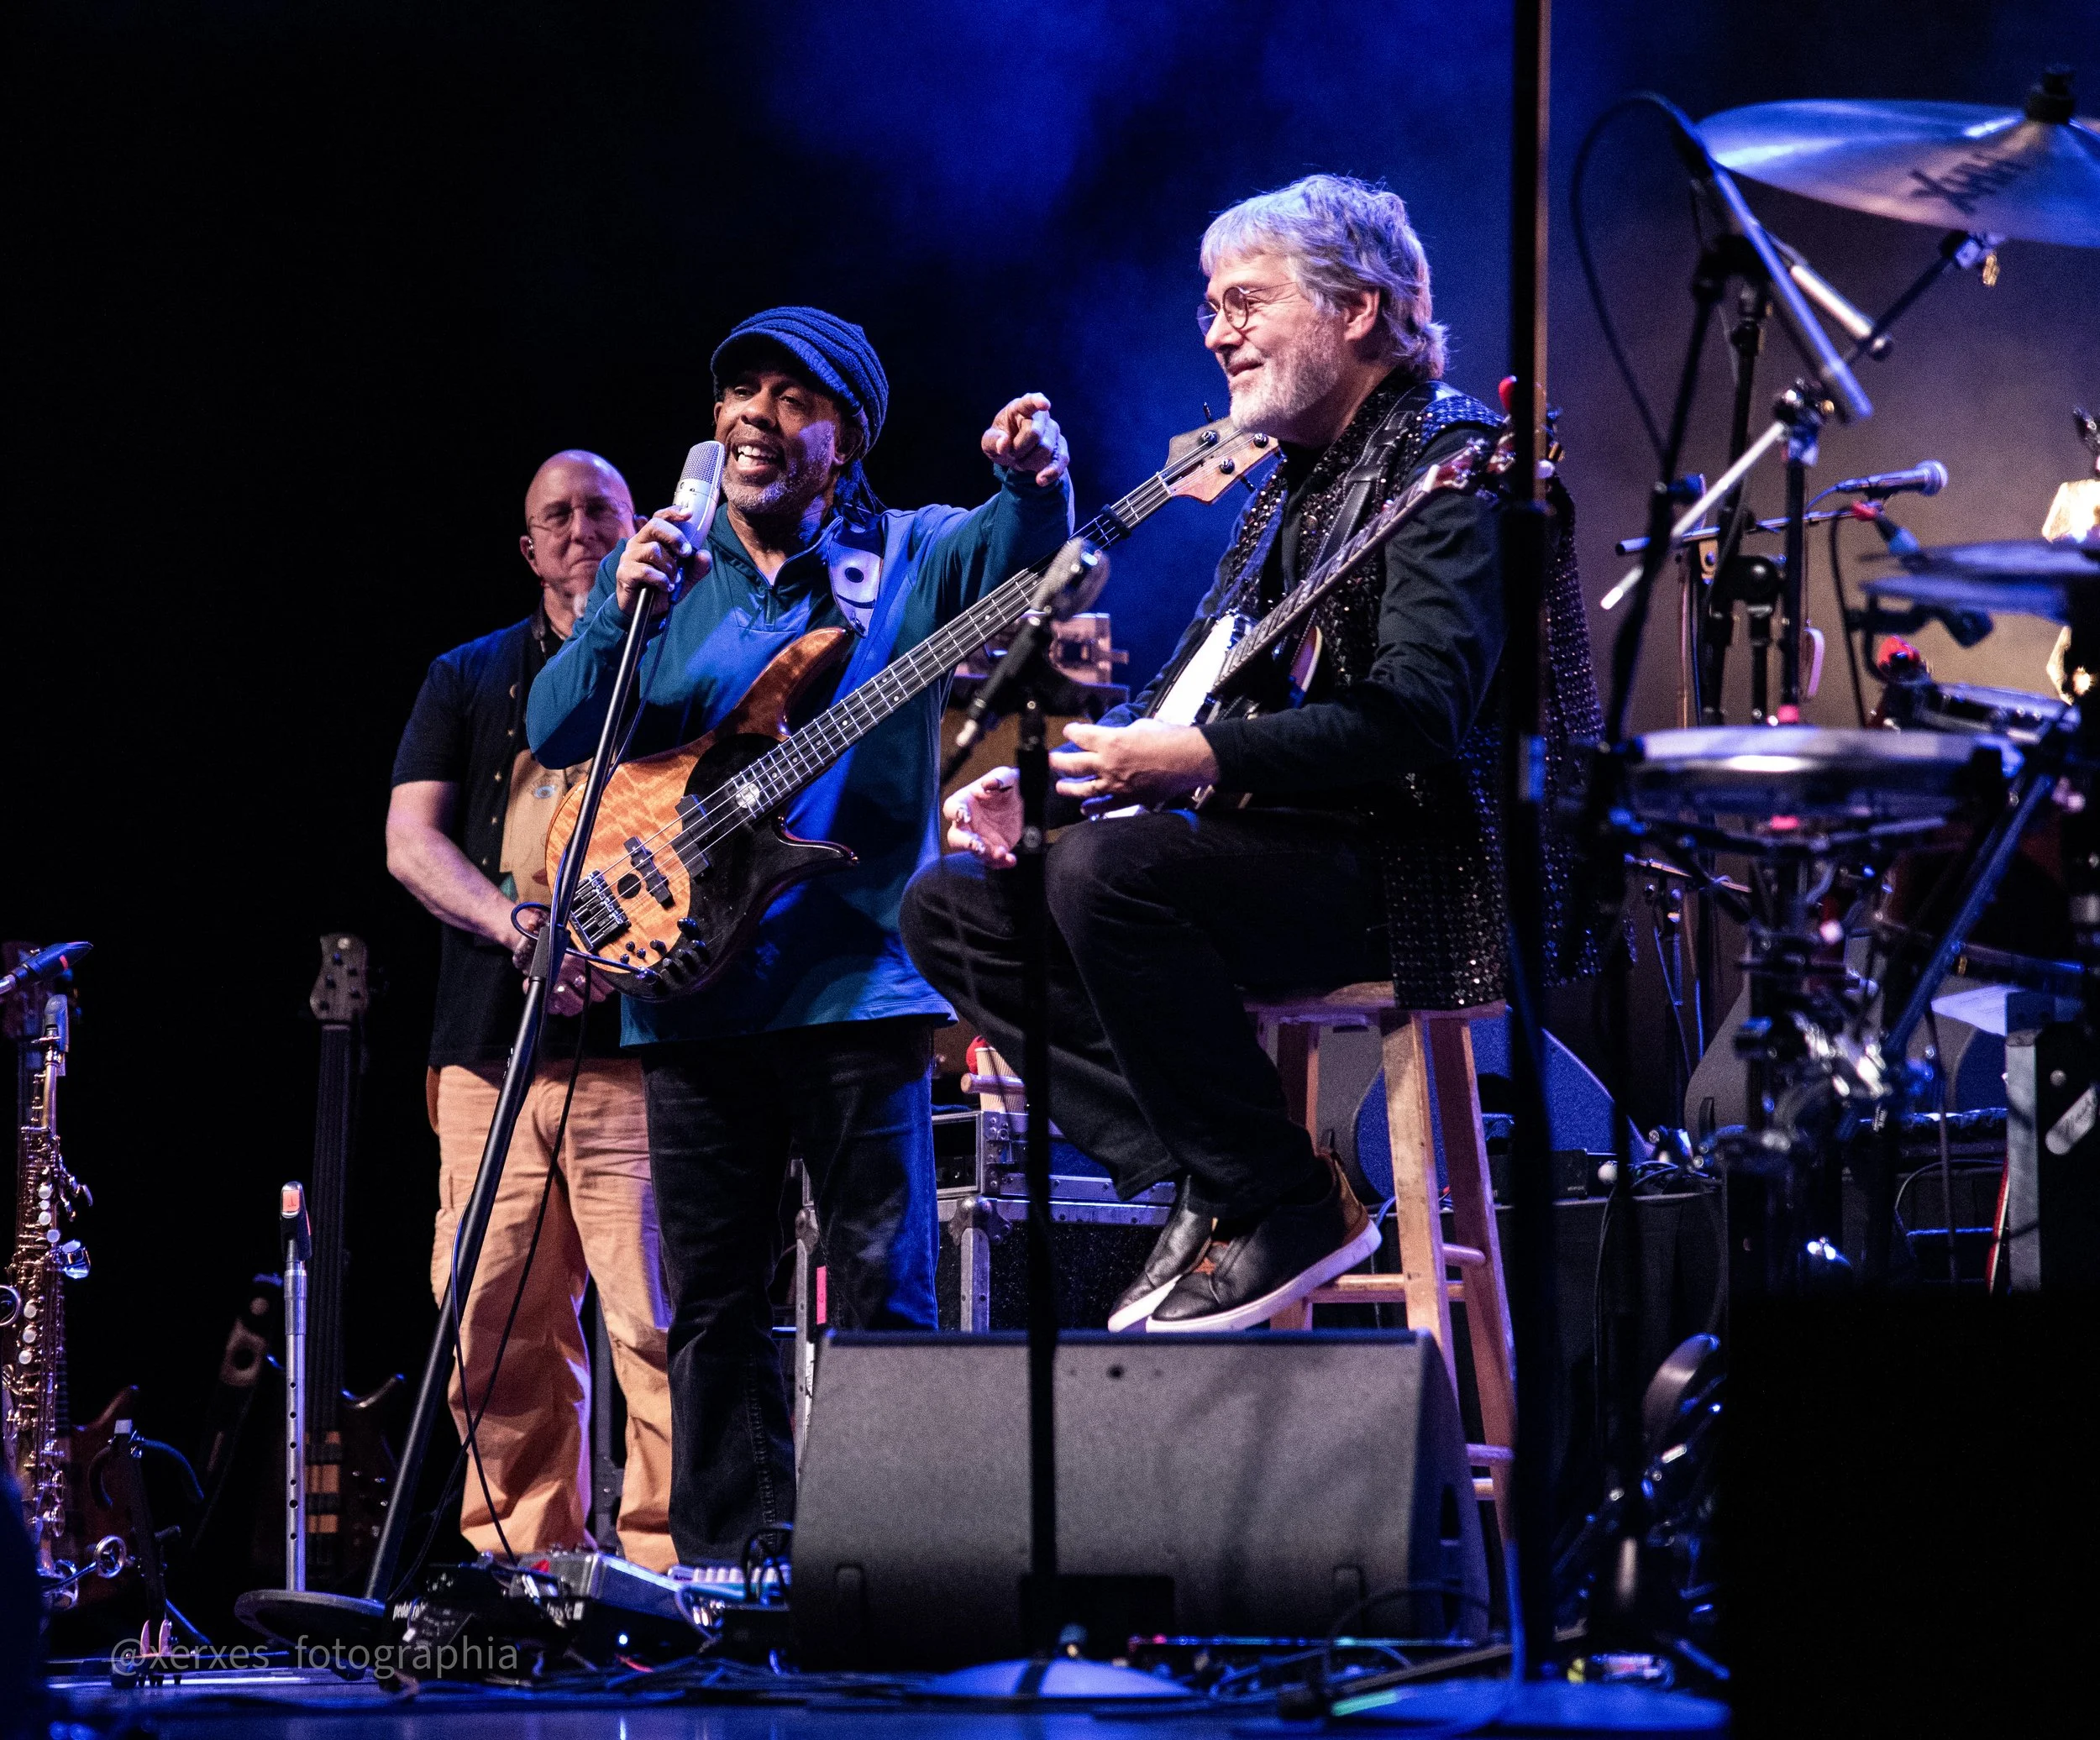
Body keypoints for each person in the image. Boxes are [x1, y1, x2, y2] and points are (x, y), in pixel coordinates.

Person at [904, 176, 1602, 1334]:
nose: (1219, 333)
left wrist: (1184, 765)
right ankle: (1218, 1174)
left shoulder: (1453, 471)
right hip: (1278, 859)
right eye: (1210, 306)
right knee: (952, 905)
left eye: (1247, 301)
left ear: (1360, 311)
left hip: (1418, 870)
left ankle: (1273, 1194)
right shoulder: (1288, 491)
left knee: (1106, 880)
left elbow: (1415, 719)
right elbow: (1196, 699)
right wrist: (1051, 787)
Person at [527, 307, 1073, 1565]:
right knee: (712, 1306)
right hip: (689, 994)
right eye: (739, 393)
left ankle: (898, 1570)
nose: (756, 416)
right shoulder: (670, 570)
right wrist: (619, 606)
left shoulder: (913, 551)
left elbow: (1028, 565)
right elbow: (561, 728)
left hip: (858, 989)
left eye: (794, 398)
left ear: (847, 437)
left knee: (884, 1293)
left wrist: (1035, 482)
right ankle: (728, 1570)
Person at [387, 448, 677, 1570]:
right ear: (528, 547)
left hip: (635, 1052)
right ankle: (525, 1571)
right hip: (487, 1055)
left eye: (599, 508)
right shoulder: (468, 676)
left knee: (653, 1326)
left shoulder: (681, 666)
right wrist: (519, 928)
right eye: (555, 515)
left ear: (636, 521)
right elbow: (411, 841)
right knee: (493, 1322)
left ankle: (663, 1580)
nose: (578, 529)